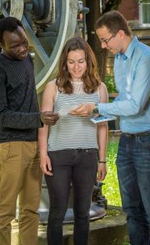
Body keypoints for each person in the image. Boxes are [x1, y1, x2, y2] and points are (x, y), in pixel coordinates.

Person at [70, 10, 150, 245]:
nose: (104, 46)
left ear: (120, 33)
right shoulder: (119, 59)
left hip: (147, 140)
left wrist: (97, 107)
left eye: (106, 40)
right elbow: (124, 99)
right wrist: (96, 112)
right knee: (132, 210)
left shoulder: (147, 57)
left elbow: (135, 105)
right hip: (126, 140)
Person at [0, 16, 60, 245]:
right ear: (2, 45)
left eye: (23, 43)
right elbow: (2, 115)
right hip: (9, 147)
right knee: (6, 211)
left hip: (32, 145)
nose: (21, 49)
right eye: (14, 46)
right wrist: (38, 118)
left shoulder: (27, 59)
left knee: (30, 210)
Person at [38, 37, 108, 244]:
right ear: (64, 63)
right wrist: (43, 154)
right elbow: (44, 123)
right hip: (58, 155)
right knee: (57, 212)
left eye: (81, 61)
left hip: (87, 156)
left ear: (88, 61)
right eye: (71, 62)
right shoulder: (54, 87)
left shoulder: (99, 89)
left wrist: (102, 159)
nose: (76, 67)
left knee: (82, 212)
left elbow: (102, 127)